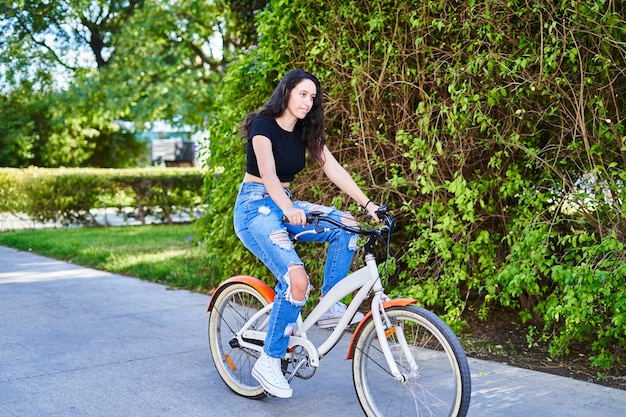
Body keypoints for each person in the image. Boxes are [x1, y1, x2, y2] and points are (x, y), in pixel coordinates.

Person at [233, 69, 380, 398]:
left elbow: (333, 167)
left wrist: (368, 204)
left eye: (312, 97)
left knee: (347, 226)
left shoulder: (305, 131)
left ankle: (330, 304)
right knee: (297, 281)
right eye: (302, 94)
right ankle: (269, 361)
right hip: (255, 208)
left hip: (286, 204)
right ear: (286, 92)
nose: (307, 101)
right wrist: (287, 208)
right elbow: (268, 175)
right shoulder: (263, 125)